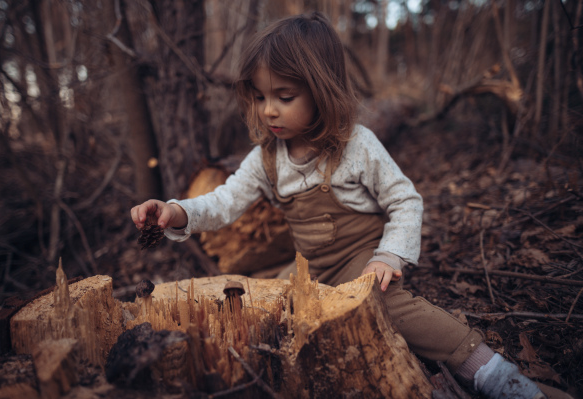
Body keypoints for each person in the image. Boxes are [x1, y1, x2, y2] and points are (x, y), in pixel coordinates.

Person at [131, 12, 567, 399]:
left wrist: (388, 255)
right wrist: (177, 211)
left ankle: (493, 373)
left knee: (396, 310)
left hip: (363, 263)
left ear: (320, 91)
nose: (269, 111)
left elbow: (405, 200)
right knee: (266, 303)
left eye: (284, 97)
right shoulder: (266, 157)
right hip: (310, 267)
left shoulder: (356, 146)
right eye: (261, 97)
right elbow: (225, 201)